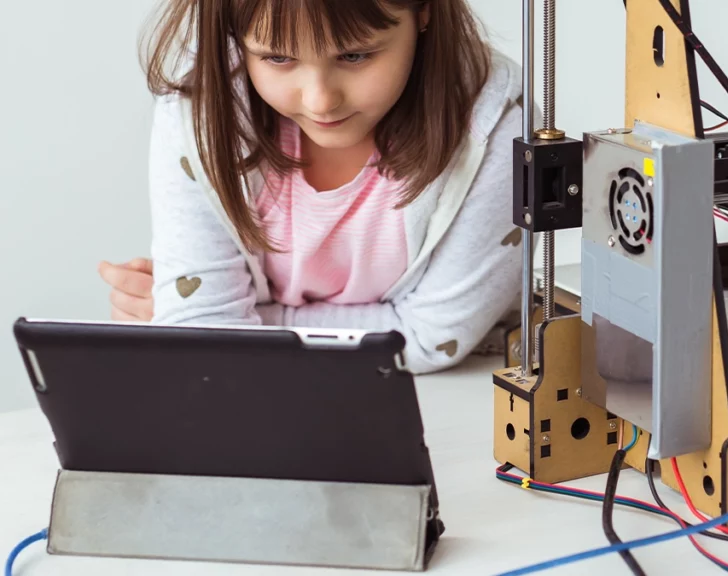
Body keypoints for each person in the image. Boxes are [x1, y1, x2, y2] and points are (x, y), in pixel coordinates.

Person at [98, 0, 524, 374]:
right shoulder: (200, 115)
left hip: (447, 406)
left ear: (424, 11)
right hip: (259, 406)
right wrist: (201, 324)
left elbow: (433, 339)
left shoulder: (496, 126)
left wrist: (223, 322)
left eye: (355, 55)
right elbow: (205, 336)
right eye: (278, 58)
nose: (320, 100)